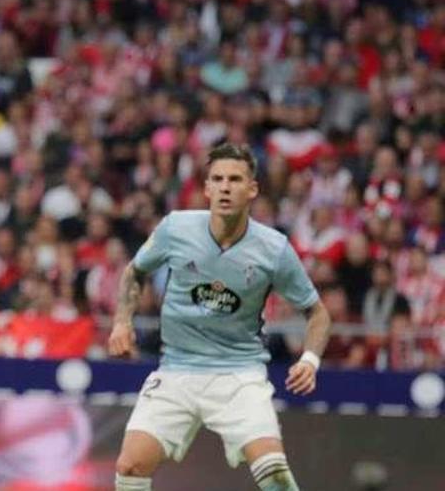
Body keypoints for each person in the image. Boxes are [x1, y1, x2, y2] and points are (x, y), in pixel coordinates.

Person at [107, 144, 333, 491]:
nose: (226, 187)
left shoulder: (274, 249)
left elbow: (317, 313)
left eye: (235, 179)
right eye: (218, 179)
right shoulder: (176, 228)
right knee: (130, 466)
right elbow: (134, 272)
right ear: (207, 188)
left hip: (239, 374)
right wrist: (123, 321)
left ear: (252, 189)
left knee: (274, 474)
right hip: (177, 369)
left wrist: (310, 359)